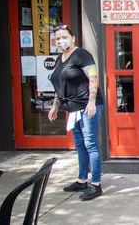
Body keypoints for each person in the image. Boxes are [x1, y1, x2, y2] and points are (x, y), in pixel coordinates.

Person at [48, 24, 104, 200]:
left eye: (64, 37)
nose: (61, 40)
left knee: (90, 144)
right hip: (72, 108)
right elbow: (60, 85)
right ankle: (82, 180)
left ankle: (96, 184)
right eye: (57, 38)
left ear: (73, 38)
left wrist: (92, 101)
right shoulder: (60, 58)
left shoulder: (81, 54)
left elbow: (93, 77)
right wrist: (55, 105)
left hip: (87, 106)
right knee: (79, 145)